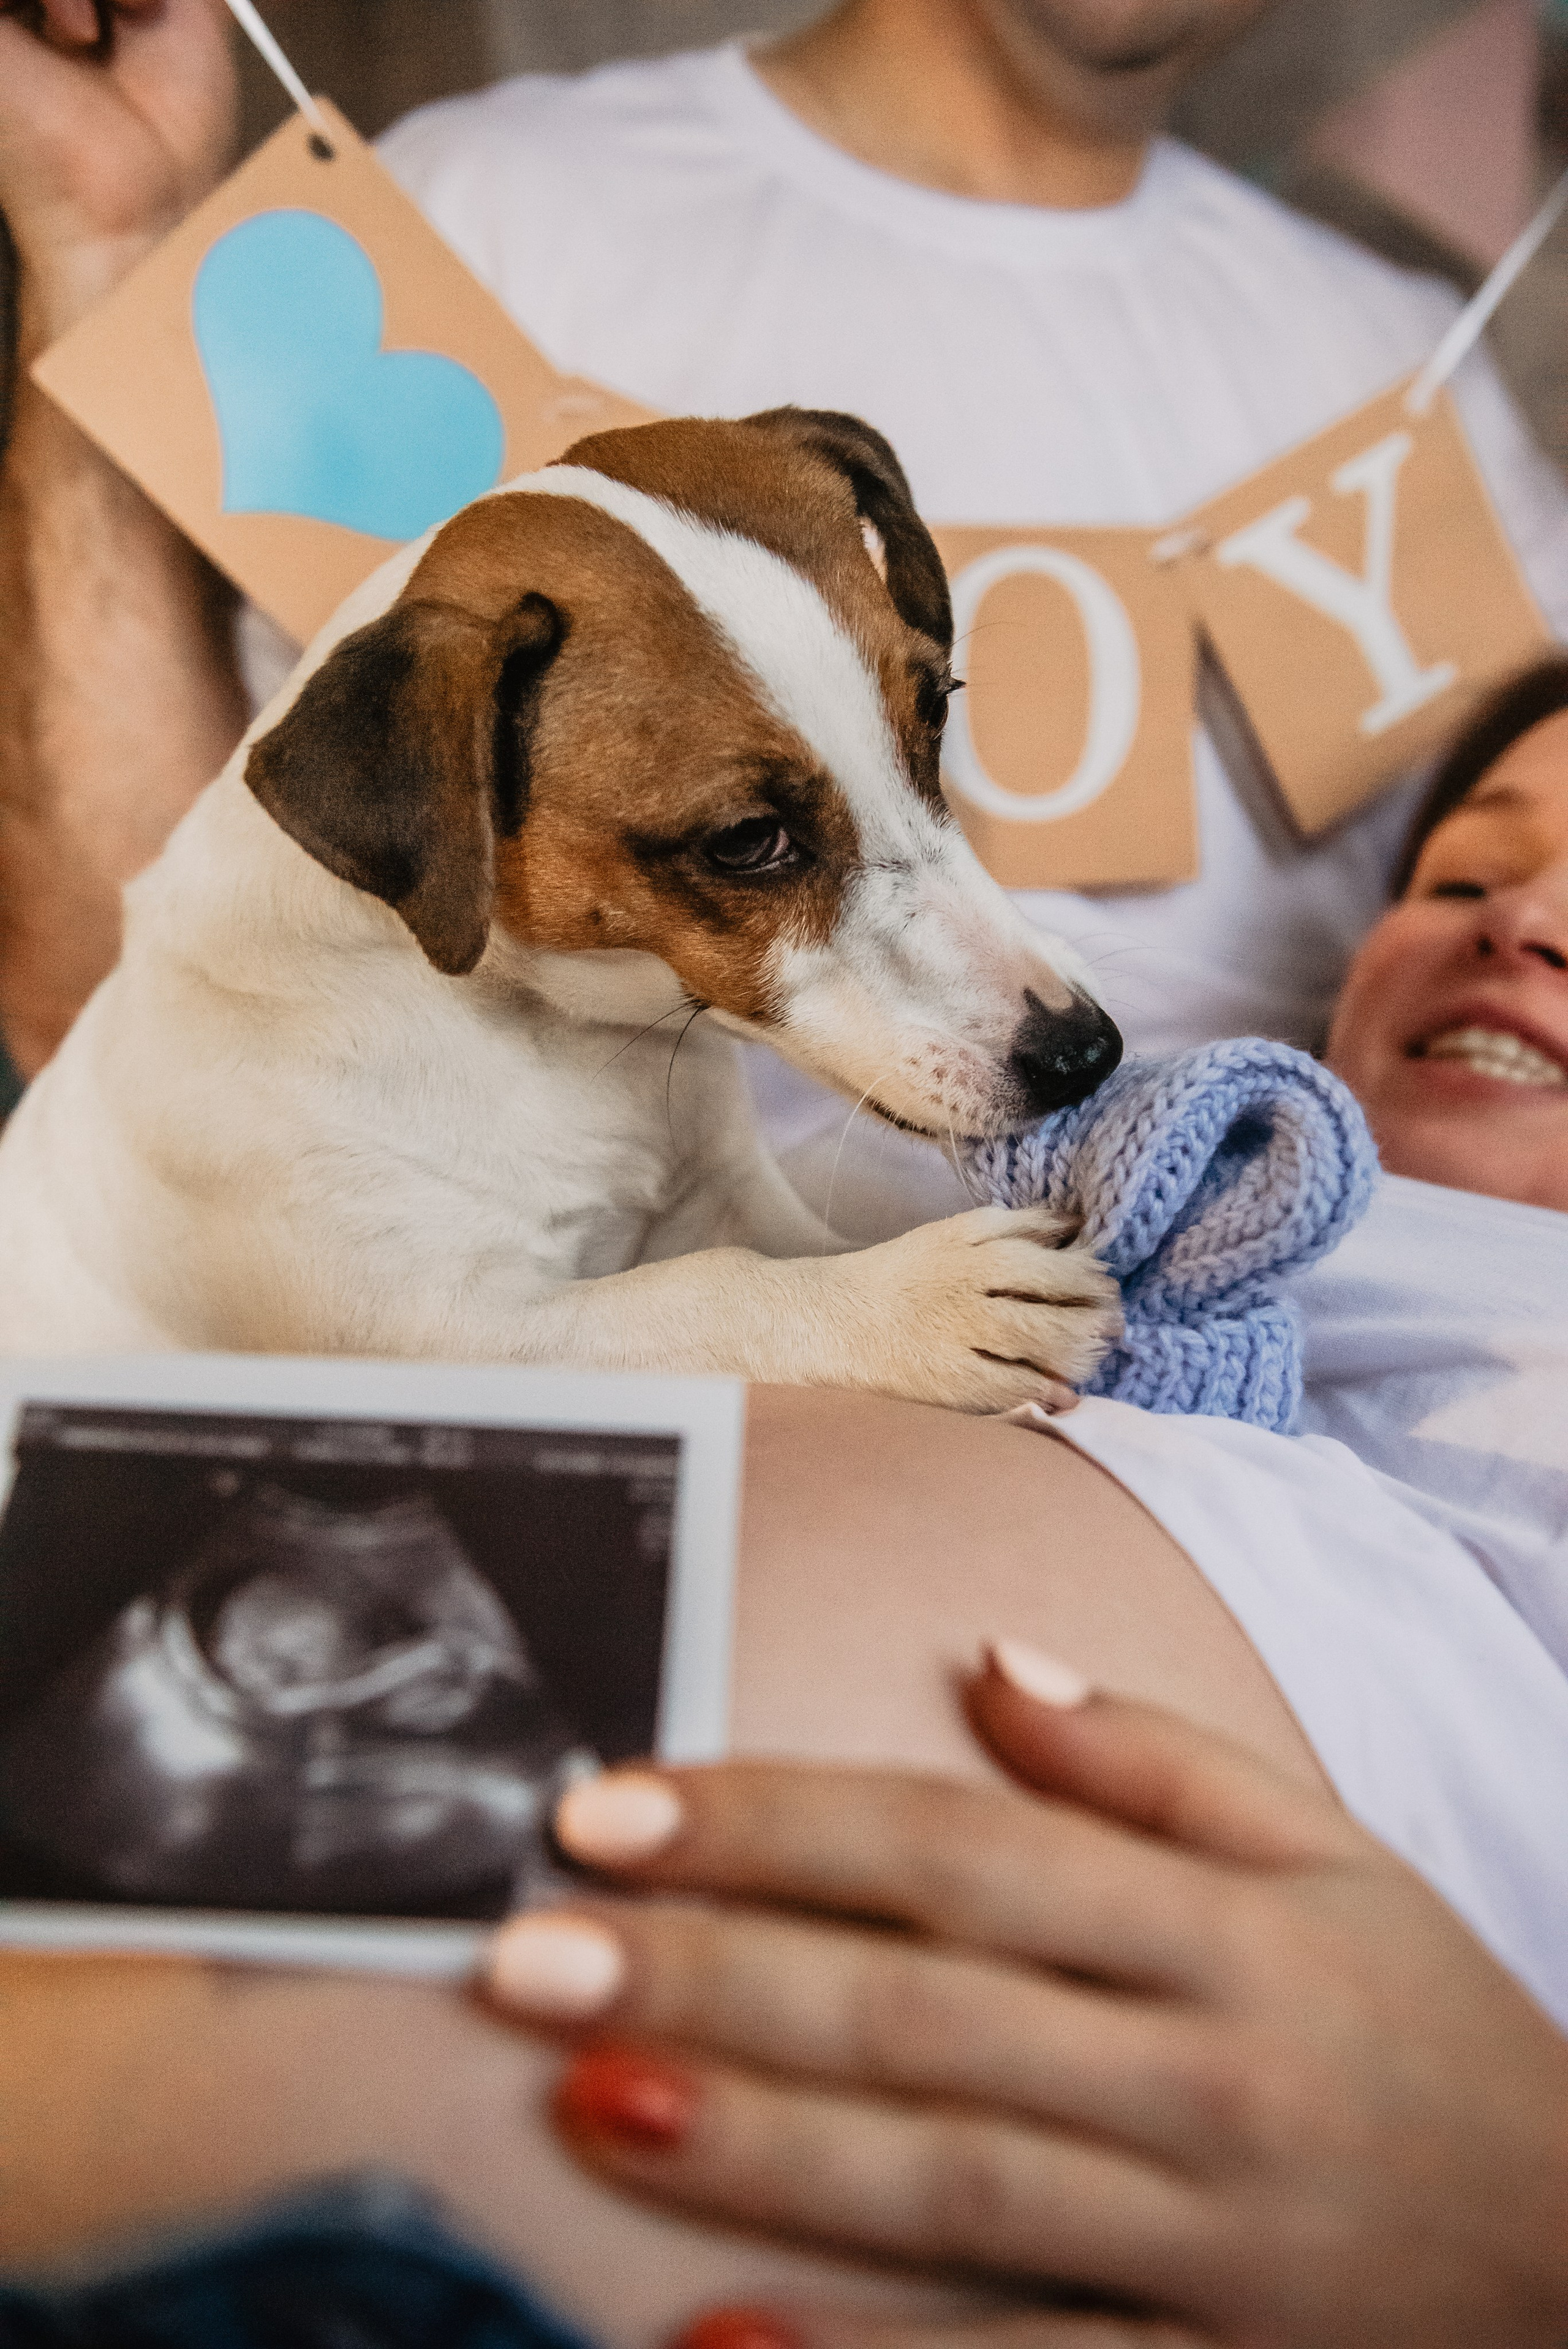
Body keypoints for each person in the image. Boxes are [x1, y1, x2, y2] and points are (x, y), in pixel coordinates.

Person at [6, 0, 1568, 1220]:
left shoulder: (1413, 382)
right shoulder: (482, 214)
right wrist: (105, 239)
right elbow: (110, 1001)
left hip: (1257, 1424)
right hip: (583, 1332)